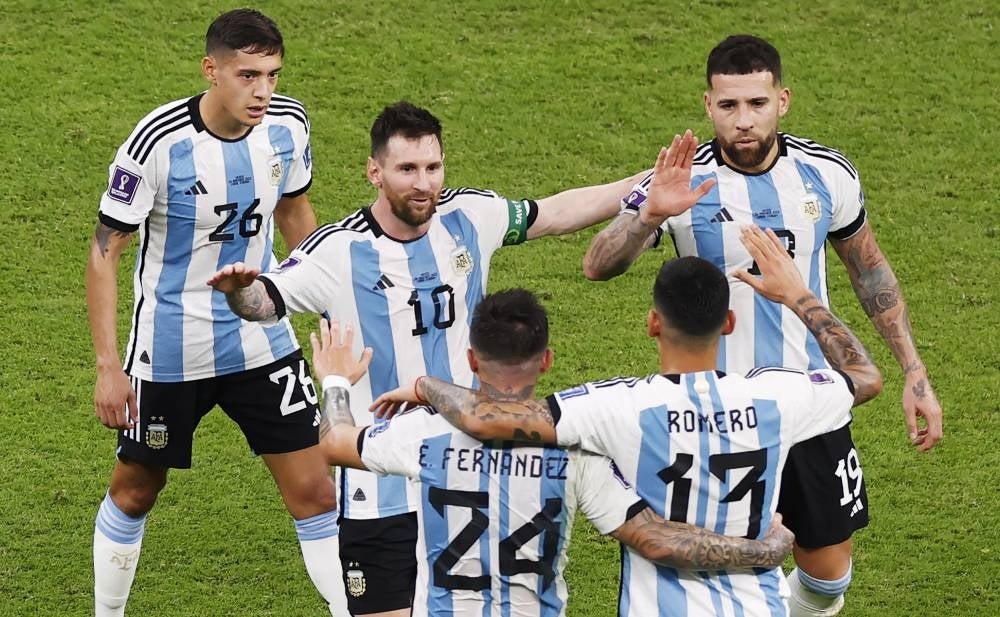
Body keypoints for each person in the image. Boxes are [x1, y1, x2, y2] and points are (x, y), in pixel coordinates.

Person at [370, 135, 884, 616]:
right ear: (728, 322)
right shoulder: (781, 396)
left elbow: (488, 419)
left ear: (653, 323)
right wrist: (797, 294)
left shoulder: (616, 407)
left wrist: (425, 385)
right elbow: (863, 375)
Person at [207, 101, 648, 617]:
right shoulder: (337, 250)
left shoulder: (470, 217)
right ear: (375, 172)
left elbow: (554, 213)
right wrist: (240, 291)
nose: (424, 184)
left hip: (464, 473)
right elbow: (264, 303)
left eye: (433, 167)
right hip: (377, 483)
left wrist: (641, 186)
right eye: (407, 169)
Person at [580, 35, 943, 615]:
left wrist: (914, 372)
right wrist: (648, 215)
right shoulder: (679, 180)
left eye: (757, 103)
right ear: (708, 105)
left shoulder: (826, 174)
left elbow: (870, 270)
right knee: (712, 564)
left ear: (783, 100)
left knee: (828, 578)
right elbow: (597, 265)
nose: (743, 119)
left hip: (810, 400)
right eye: (729, 105)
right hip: (715, 413)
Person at [311, 290, 795, 616]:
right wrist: (762, 551)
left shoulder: (422, 433)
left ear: (472, 359)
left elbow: (334, 442)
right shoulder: (577, 452)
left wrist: (335, 379)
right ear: (545, 360)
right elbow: (658, 541)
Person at [86, 9, 346, 616]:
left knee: (316, 491)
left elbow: (295, 214)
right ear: (211, 70)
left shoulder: (288, 126)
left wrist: (328, 308)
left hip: (262, 338)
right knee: (136, 488)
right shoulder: (157, 143)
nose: (262, 91)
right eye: (248, 75)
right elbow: (105, 252)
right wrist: (108, 366)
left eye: (273, 75)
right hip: (171, 351)